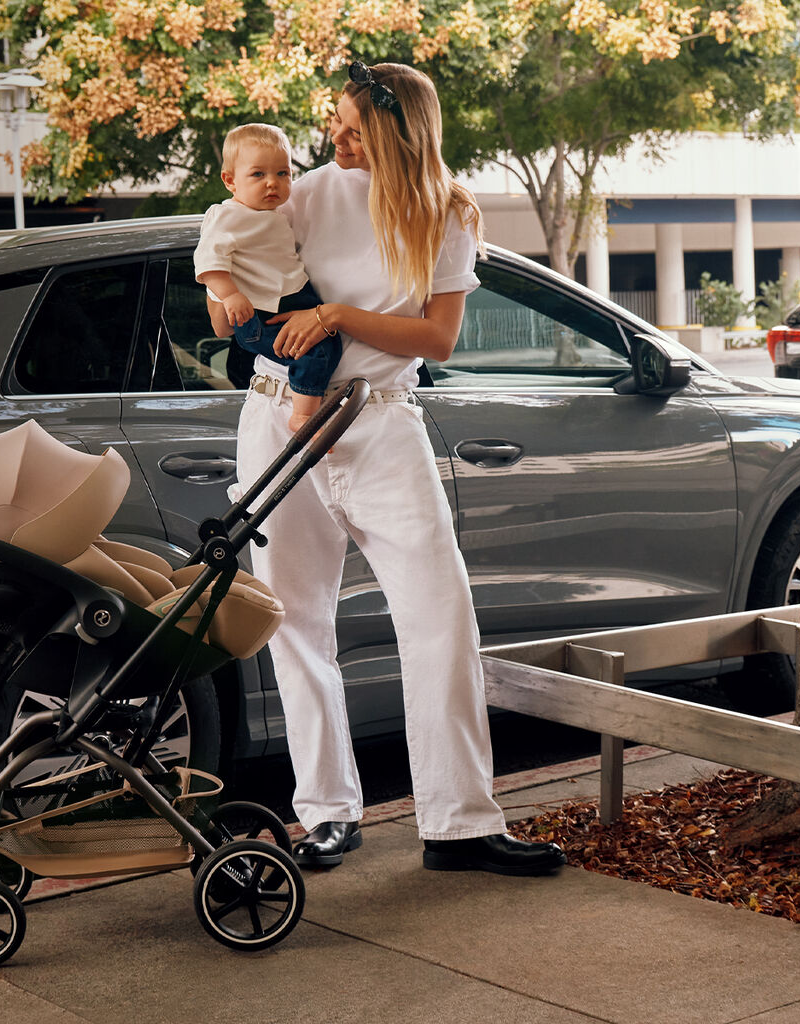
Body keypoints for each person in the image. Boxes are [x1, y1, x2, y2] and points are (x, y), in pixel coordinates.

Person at [222, 61, 564, 877]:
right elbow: (229, 243)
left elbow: (439, 340)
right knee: (295, 624)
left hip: (381, 425)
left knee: (440, 617)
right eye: (333, 123)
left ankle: (460, 823)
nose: (333, 139)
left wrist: (338, 315)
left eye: (352, 128)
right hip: (281, 419)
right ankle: (327, 815)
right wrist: (223, 293)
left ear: (399, 131)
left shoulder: (445, 211)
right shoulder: (301, 193)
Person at [195, 124, 330, 434]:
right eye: (258, 175)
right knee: (316, 350)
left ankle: (307, 408)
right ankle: (304, 416)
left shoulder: (275, 215)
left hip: (292, 297)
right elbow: (208, 263)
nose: (273, 183)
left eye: (283, 173)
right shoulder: (226, 215)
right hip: (263, 314)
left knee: (323, 342)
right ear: (230, 180)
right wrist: (230, 295)